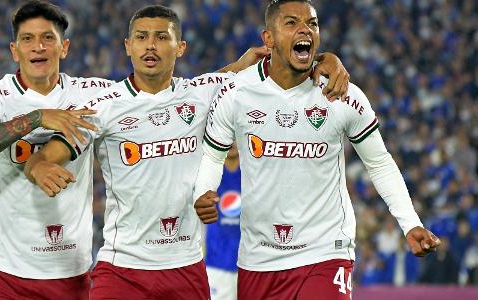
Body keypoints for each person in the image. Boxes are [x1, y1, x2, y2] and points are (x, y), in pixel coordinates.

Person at [24, 5, 348, 299]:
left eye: (161, 37)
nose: (150, 45)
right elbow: (47, 154)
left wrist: (326, 60)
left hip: (187, 269)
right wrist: (38, 167)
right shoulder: (105, 106)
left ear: (180, 47)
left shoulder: (202, 93)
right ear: (128, 47)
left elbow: (286, 58)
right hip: (122, 269)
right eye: (141, 37)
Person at [192, 1, 441, 299]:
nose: (304, 29)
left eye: (312, 24)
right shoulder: (236, 92)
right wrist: (204, 191)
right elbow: (212, 154)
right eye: (291, 22)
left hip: (325, 250)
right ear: (268, 39)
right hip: (258, 259)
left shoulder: (341, 93)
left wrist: (410, 222)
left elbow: (379, 162)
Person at [0, 1, 112, 299]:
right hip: (0, 270)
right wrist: (37, 118)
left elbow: (158, 96)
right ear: (15, 51)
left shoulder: (91, 94)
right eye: (27, 39)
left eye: (47, 38)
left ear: (64, 47)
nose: (37, 47)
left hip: (69, 269)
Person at [205, 143, 241, 300]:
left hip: (251, 264)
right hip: (216, 264)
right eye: (229, 135)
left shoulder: (255, 174)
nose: (233, 141)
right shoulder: (207, 175)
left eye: (236, 135)